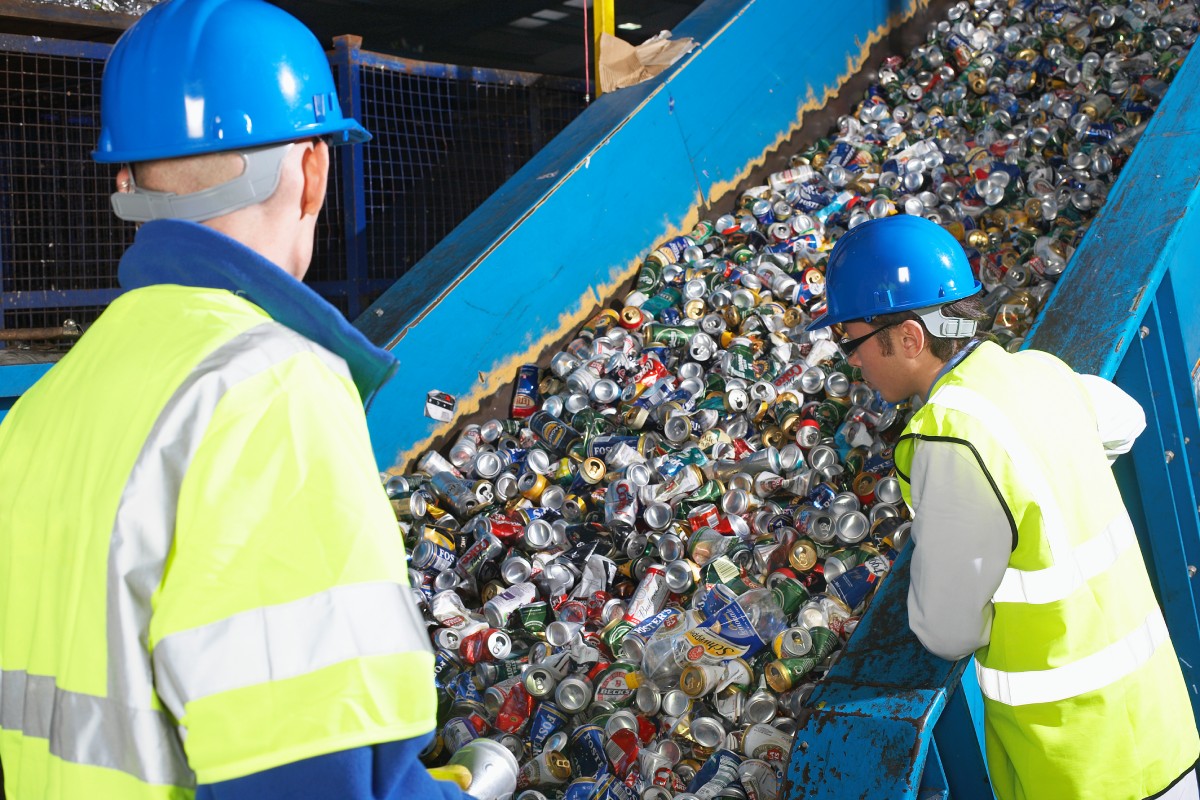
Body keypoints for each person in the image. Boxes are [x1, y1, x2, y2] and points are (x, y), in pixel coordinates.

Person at [0, 1, 479, 798]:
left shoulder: (43, 410)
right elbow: (312, 769)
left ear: (125, 182)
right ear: (313, 170)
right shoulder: (272, 389)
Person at [807, 214, 1200, 800]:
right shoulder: (1038, 373)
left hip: (1079, 766)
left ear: (910, 338)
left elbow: (945, 630)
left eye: (853, 341)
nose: (851, 361)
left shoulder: (952, 436)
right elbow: (1125, 421)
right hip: (1159, 729)